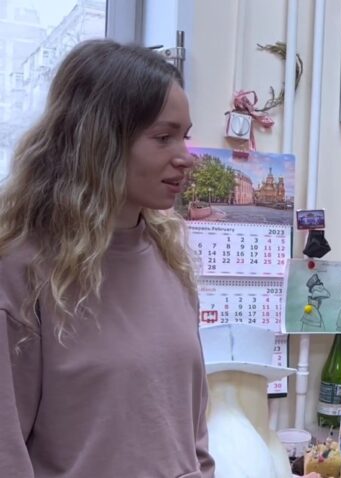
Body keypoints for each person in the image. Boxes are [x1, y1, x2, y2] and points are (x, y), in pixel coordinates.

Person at [0, 39, 214, 477]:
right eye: (163, 137)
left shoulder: (171, 258)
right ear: (100, 140)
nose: (185, 158)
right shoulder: (23, 270)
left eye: (185, 136)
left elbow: (190, 434)